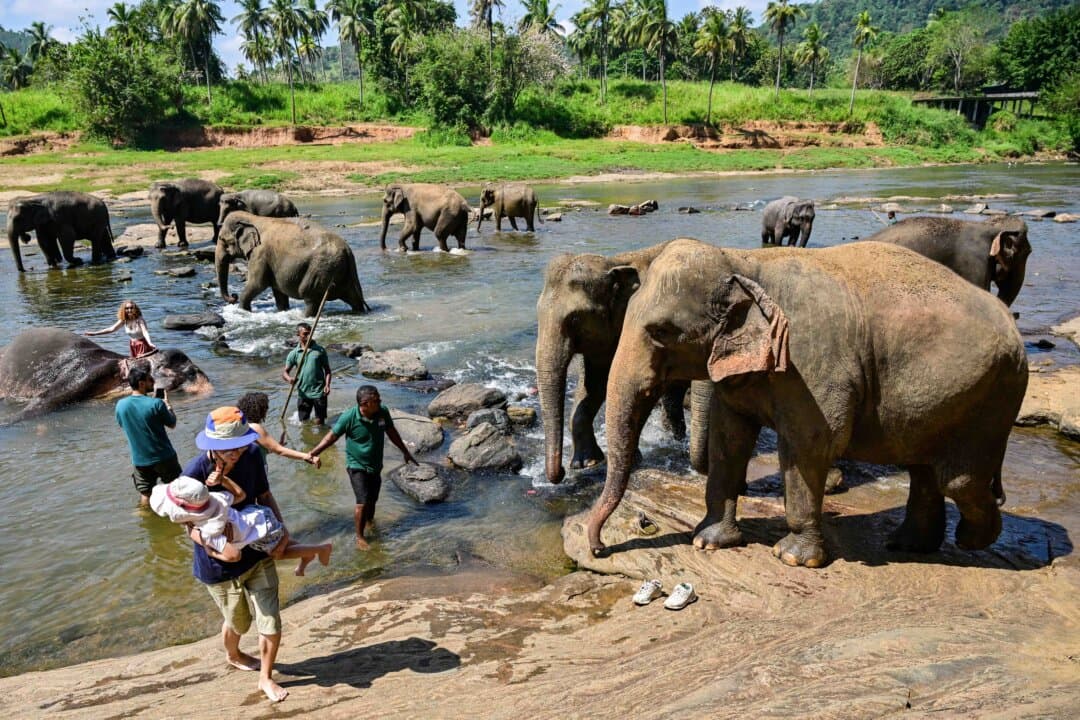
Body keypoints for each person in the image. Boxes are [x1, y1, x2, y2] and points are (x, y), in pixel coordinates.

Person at [182, 406, 291, 703]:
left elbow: (265, 496)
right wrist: (215, 547)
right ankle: (233, 653)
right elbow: (186, 526)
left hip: (257, 552)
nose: (237, 453)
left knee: (270, 618)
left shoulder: (253, 454)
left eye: (240, 446)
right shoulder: (194, 474)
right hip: (220, 566)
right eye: (228, 450)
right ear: (212, 447)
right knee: (239, 622)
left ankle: (265, 678)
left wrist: (282, 529)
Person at [150, 475, 332, 577]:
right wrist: (224, 479)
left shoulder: (208, 531)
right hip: (258, 514)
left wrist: (209, 550)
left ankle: (318, 549)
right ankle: (307, 556)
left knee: (277, 553)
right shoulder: (217, 502)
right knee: (279, 540)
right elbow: (240, 495)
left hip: (264, 531)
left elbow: (235, 555)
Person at [309, 385, 418, 550]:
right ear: (365, 403)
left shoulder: (382, 412)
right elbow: (331, 437)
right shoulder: (349, 417)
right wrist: (313, 452)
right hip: (356, 465)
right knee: (362, 501)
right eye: (376, 400)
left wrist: (405, 452)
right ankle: (359, 537)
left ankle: (369, 523)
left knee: (372, 500)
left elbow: (391, 431)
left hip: (375, 465)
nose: (380, 401)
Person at [115, 361, 180, 507]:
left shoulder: (120, 405)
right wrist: (169, 407)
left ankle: (146, 521)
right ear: (142, 383)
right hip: (164, 456)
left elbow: (123, 425)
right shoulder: (156, 404)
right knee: (176, 490)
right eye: (151, 380)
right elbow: (172, 424)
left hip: (140, 460)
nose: (154, 383)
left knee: (145, 494)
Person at [236, 392, 321, 468]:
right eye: (265, 408)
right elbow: (280, 451)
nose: (266, 411)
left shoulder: (242, 426)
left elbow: (255, 453)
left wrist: (273, 447)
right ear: (259, 410)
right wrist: (307, 456)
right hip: (255, 474)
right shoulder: (255, 428)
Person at [281, 322, 331, 426]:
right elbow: (285, 372)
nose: (308, 336)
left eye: (310, 333)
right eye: (305, 334)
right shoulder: (294, 353)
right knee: (303, 423)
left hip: (319, 392)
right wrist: (289, 379)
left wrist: (327, 385)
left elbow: (327, 370)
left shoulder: (320, 350)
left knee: (320, 423)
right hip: (303, 392)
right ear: (298, 334)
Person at [86, 300, 157, 358]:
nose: (129, 310)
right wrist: (95, 333)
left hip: (142, 344)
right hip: (133, 344)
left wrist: (150, 342)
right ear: (124, 310)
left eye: (131, 308)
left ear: (135, 309)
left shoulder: (140, 320)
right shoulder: (124, 320)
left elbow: (145, 332)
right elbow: (112, 329)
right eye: (127, 308)